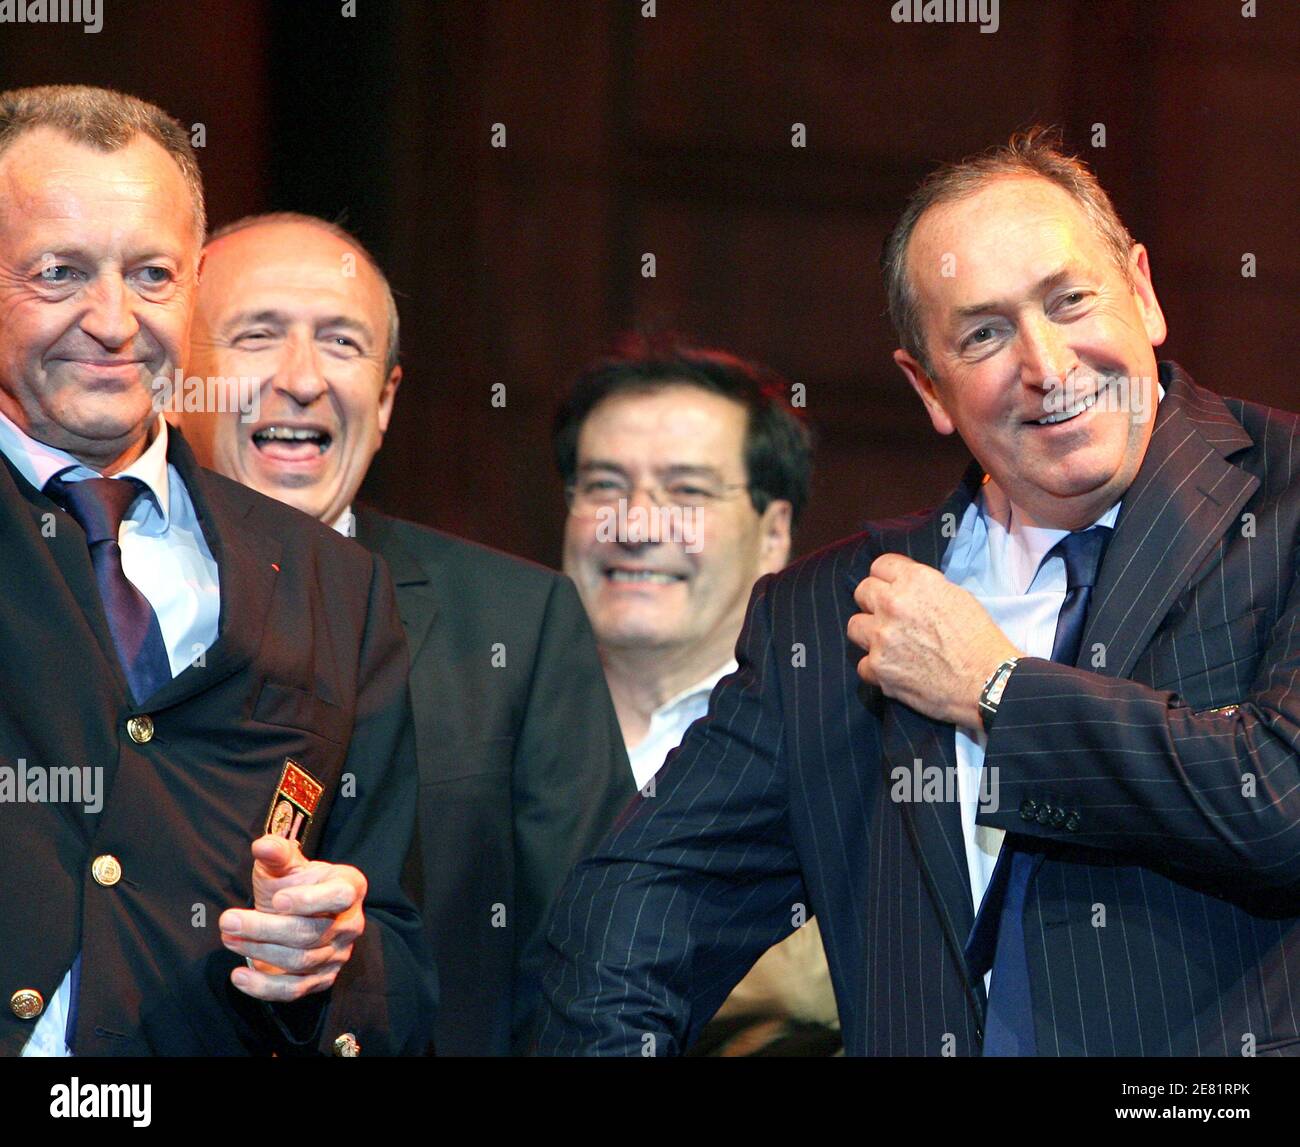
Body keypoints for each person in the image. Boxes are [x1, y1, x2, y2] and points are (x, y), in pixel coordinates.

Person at [536, 128, 1300, 1057]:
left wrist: (998, 692)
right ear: (929, 386)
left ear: (1142, 292)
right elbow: (631, 913)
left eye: (1070, 300)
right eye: (983, 333)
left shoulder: (1285, 499)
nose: (1048, 365)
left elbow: (1283, 796)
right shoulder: (832, 611)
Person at [0, 85, 434, 1057]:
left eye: (151, 275)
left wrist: (327, 956)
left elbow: (398, 954)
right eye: (59, 272)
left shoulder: (339, 588)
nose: (112, 321)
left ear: (195, 284)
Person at [181, 212, 635, 1055]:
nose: (303, 378)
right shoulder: (97, 595)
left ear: (386, 400)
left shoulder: (516, 623)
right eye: (257, 334)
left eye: (343, 344)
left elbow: (594, 951)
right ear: (175, 377)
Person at [553, 337, 839, 1055]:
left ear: (774, 532)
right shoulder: (479, 721)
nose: (638, 524)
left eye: (687, 491)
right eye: (603, 485)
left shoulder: (841, 747)